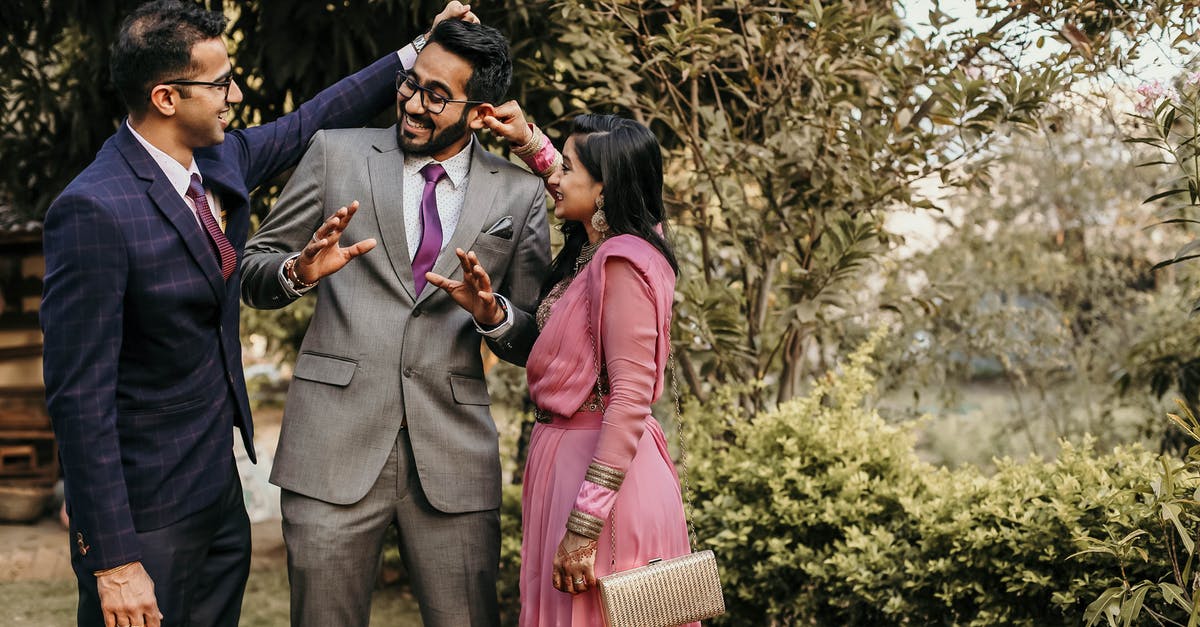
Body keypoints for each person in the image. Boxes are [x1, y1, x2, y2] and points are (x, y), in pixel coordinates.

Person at [40, 1, 475, 625]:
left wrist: (417, 49)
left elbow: (310, 121)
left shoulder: (217, 161)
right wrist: (112, 560)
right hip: (145, 516)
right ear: (166, 97)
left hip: (218, 495)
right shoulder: (93, 211)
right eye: (219, 84)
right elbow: (78, 399)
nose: (235, 95)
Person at [239, 20, 550, 627]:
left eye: (437, 97)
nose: (411, 103)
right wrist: (298, 273)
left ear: (479, 110)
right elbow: (253, 267)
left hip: (453, 458)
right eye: (411, 84)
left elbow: (538, 334)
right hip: (331, 449)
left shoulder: (520, 194)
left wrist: (496, 317)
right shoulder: (335, 153)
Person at [430, 106, 695, 625]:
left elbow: (631, 398)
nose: (554, 176)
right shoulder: (597, 250)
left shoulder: (622, 262)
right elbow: (572, 174)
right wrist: (531, 141)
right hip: (565, 467)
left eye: (568, 168)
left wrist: (586, 522)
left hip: (602, 486)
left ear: (604, 188)